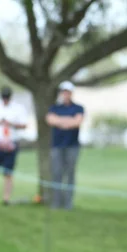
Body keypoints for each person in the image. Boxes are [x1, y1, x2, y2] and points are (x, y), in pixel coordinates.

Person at [45, 81, 85, 210]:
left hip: (72, 146)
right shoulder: (54, 108)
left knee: (70, 174)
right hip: (57, 146)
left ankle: (68, 203)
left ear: (71, 93)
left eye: (67, 92)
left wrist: (60, 121)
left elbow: (77, 122)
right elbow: (51, 120)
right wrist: (68, 120)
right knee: (57, 174)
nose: (65, 94)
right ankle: (56, 203)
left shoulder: (78, 108)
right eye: (63, 92)